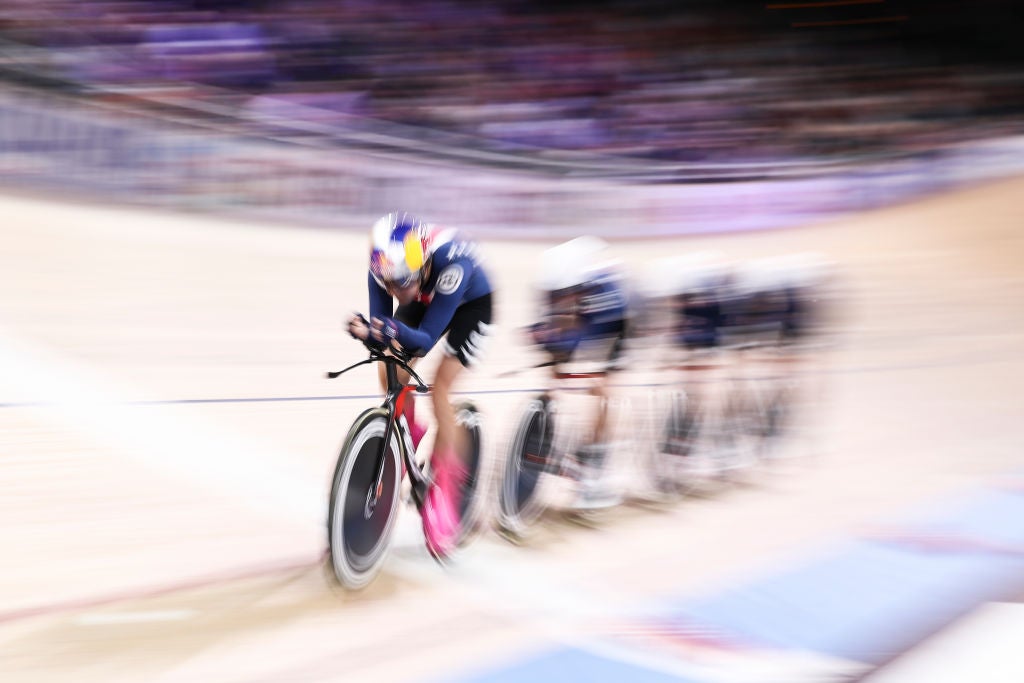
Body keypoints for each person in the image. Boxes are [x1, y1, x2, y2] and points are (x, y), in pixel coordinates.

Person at [347, 212, 494, 558]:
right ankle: (406, 434)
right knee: (389, 371)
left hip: (471, 306)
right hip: (430, 300)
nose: (399, 291)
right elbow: (385, 333)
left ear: (423, 260)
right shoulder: (383, 269)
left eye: (405, 280)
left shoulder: (451, 263)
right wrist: (370, 332)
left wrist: (387, 330)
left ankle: (444, 488)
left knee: (440, 389)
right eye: (391, 285)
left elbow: (425, 339)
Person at [528, 236, 629, 507]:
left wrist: (599, 377)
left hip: (618, 327)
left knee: (605, 390)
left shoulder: (607, 298)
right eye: (556, 295)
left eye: (567, 294)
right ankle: (546, 426)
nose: (560, 299)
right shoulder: (551, 286)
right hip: (582, 319)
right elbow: (546, 332)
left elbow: (591, 340)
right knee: (555, 368)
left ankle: (594, 460)